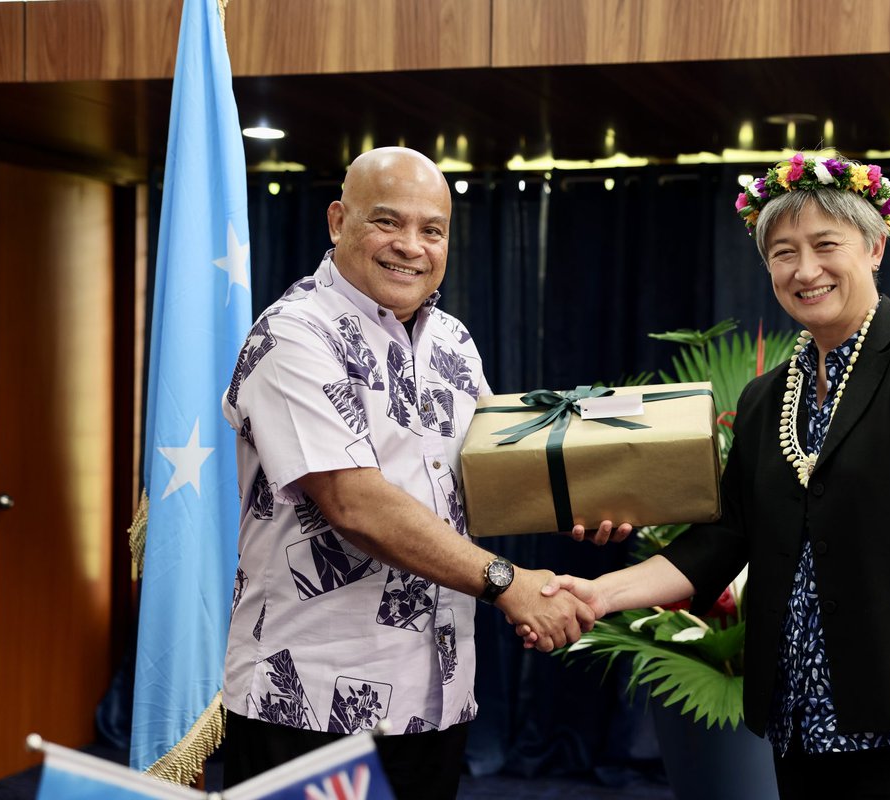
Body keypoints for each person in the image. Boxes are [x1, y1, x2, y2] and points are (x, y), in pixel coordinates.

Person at [531, 152, 890, 800]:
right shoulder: (771, 396)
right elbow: (719, 542)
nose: (805, 269)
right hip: (802, 729)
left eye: (827, 245)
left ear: (875, 246)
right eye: (782, 251)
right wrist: (599, 595)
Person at [218, 146, 629, 798]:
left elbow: (496, 470)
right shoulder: (295, 336)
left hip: (434, 695)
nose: (411, 246)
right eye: (388, 222)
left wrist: (591, 502)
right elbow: (356, 503)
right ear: (337, 221)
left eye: (431, 230)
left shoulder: (453, 341)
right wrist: (506, 581)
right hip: (311, 699)